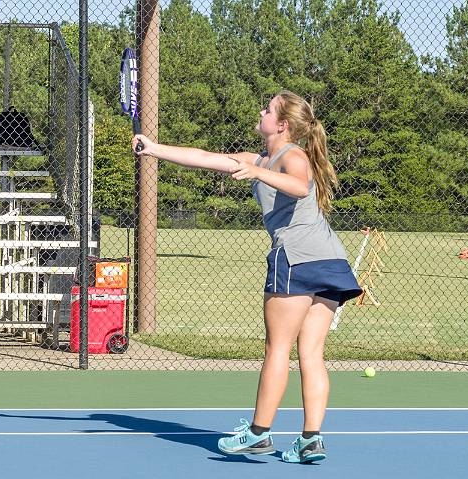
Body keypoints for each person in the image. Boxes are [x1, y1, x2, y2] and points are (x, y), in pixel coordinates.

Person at [132, 90, 362, 464]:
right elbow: (205, 159)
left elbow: (300, 185)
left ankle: (258, 434)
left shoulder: (292, 156)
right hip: (330, 262)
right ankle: (310, 440)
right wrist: (154, 148)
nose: (261, 111)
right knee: (311, 354)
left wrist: (258, 172)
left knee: (278, 349)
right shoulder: (261, 157)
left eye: (268, 109)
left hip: (297, 261)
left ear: (282, 124)